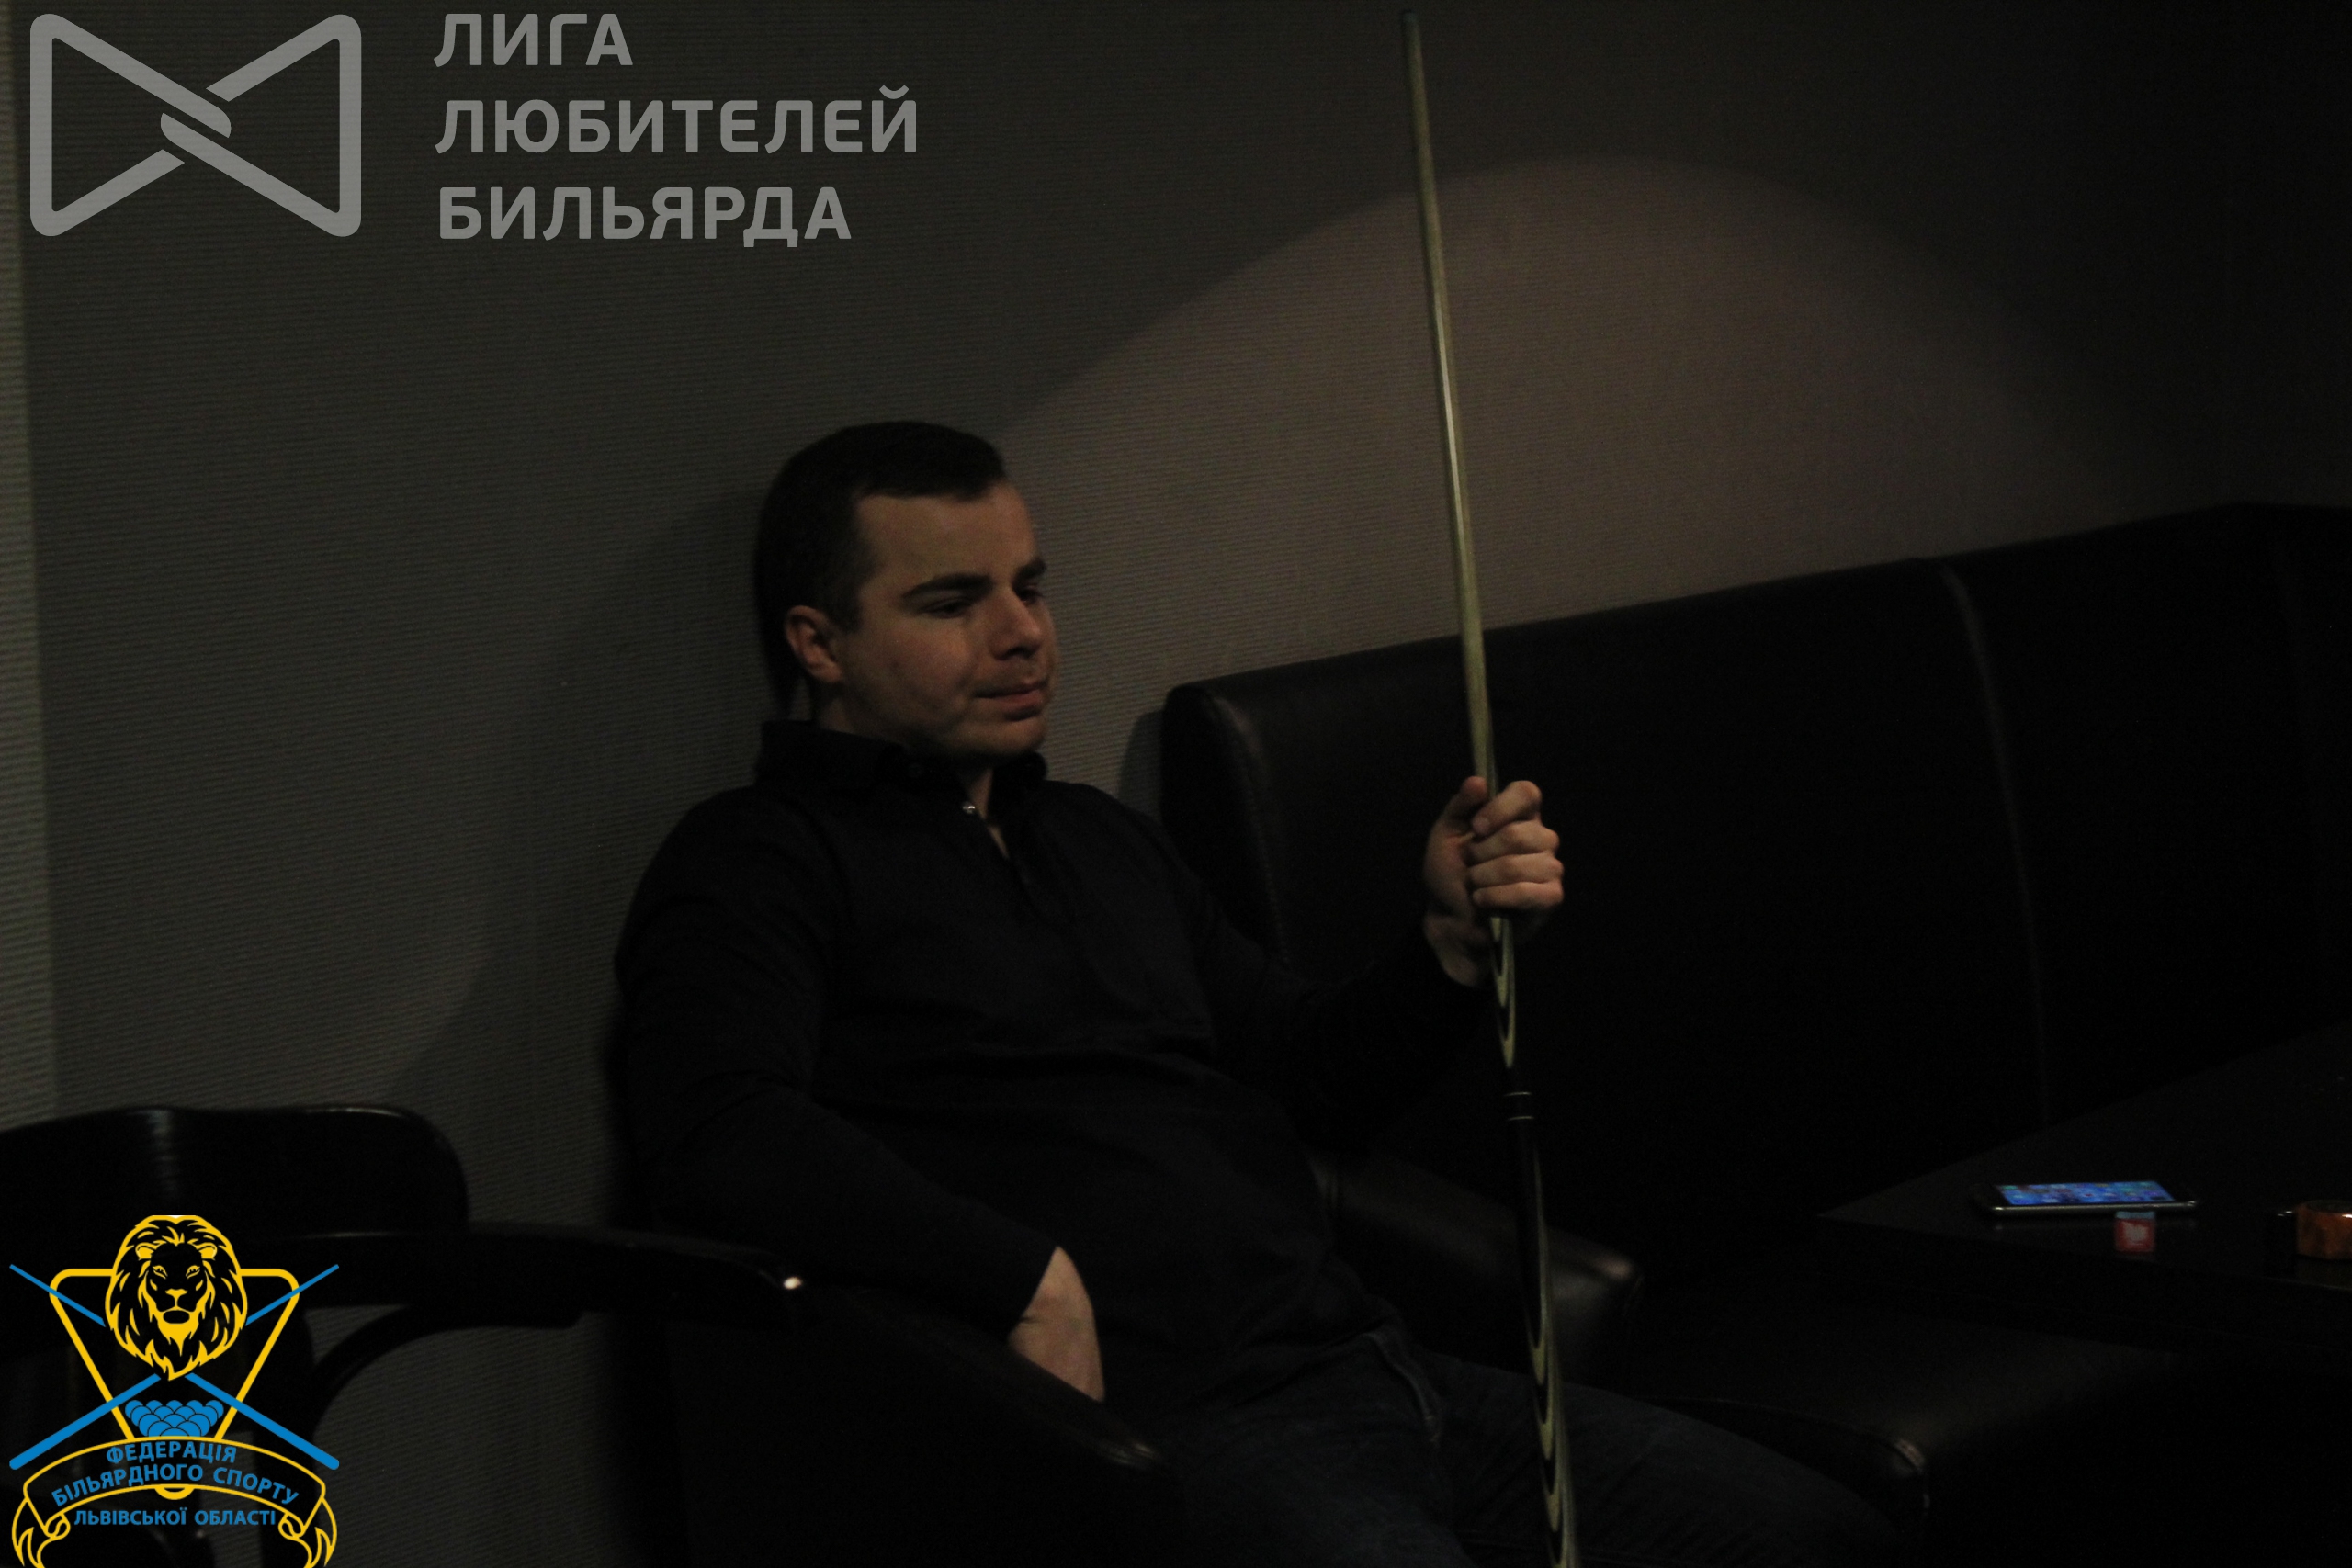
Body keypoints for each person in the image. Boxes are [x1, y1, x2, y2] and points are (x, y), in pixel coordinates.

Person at [616, 422, 1900, 1567]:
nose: (1022, 634)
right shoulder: (758, 860)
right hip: (1181, 1432)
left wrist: (1447, 947)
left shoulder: (1096, 838)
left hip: (1377, 1366)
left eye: (1031, 587)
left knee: (1822, 1534)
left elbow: (1312, 1074)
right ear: (819, 643)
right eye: (954, 602)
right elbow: (719, 1128)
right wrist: (1023, 1277)